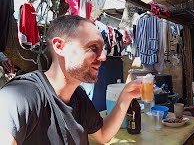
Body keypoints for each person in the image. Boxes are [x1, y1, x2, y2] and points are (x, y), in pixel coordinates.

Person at [0, 15, 142, 145]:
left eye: (103, 48)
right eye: (93, 47)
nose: (104, 57)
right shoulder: (22, 95)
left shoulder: (78, 96)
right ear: (59, 47)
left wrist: (126, 96)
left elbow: (103, 135)